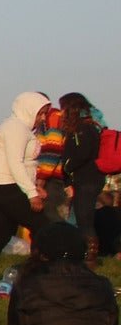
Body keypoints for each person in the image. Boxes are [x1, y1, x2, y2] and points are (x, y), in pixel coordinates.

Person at [0, 91, 51, 286]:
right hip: (6, 186)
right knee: (43, 227)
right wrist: (32, 194)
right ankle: (41, 271)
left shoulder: (14, 127)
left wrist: (32, 187)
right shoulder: (17, 129)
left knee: (1, 232)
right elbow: (15, 164)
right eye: (40, 113)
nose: (41, 119)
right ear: (29, 110)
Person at [56, 93, 105, 253]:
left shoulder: (83, 128)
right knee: (76, 219)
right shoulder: (90, 126)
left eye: (63, 108)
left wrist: (67, 167)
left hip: (86, 179)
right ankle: (73, 251)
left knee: (84, 220)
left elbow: (82, 153)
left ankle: (89, 256)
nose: (61, 112)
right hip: (87, 179)